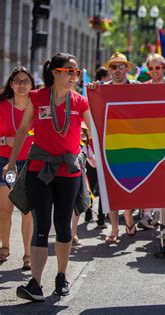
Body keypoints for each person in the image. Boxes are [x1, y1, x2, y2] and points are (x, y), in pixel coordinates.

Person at [2, 52, 92, 301]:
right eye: (70, 71)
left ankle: (62, 277)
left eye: (77, 72)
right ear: (56, 73)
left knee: (63, 225)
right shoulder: (38, 97)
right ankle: (35, 283)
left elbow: (94, 130)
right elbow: (22, 131)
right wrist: (11, 163)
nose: (75, 75)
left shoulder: (81, 101)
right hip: (38, 170)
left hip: (68, 170)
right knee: (41, 226)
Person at [101, 52, 139, 242]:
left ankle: (129, 215)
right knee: (111, 189)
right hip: (111, 145)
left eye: (120, 66)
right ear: (109, 70)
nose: (117, 70)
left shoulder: (138, 88)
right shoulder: (100, 90)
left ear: (127, 69)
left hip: (134, 145)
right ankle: (114, 229)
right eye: (113, 67)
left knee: (131, 186)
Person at [0, 67, 35, 270]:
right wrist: (6, 140)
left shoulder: (38, 107)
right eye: (18, 81)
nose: (22, 85)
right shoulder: (3, 107)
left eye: (25, 81)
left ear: (31, 85)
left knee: (27, 211)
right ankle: (4, 247)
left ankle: (28, 254)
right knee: (5, 209)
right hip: (5, 161)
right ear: (11, 84)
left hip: (30, 163)